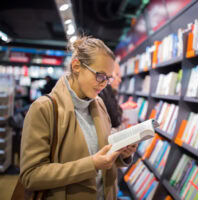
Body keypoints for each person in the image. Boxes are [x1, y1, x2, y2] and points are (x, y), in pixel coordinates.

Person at [19, 36, 137, 200]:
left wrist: (122, 153)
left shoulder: (99, 104)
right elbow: (31, 176)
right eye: (100, 76)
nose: (104, 84)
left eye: (108, 78)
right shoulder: (44, 108)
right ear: (76, 66)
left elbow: (102, 155)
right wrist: (92, 164)